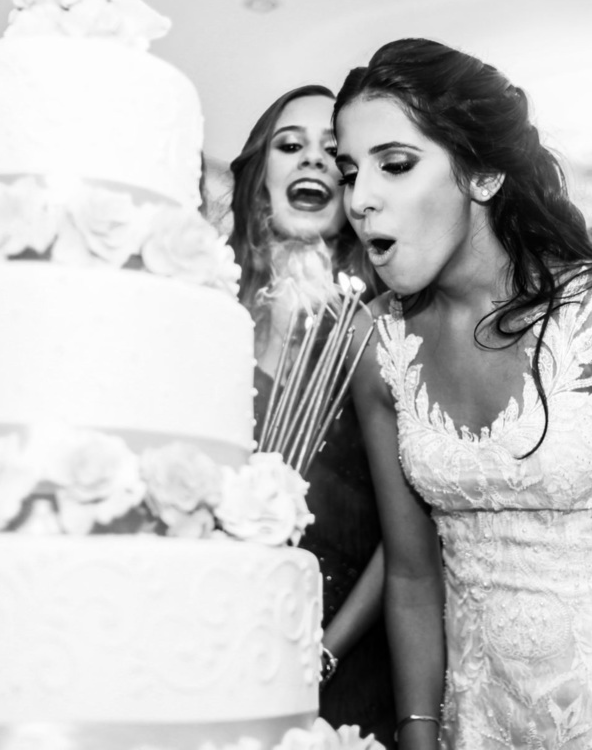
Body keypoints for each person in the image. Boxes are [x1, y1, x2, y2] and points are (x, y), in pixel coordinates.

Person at [332, 39, 592, 750]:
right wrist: (422, 736)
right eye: (350, 172)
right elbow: (412, 578)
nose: (359, 199)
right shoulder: (377, 346)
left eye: (396, 164)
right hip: (477, 720)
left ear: (482, 174)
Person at [227, 84, 396, 747]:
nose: (313, 161)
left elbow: (408, 538)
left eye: (334, 154)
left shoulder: (377, 332)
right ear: (258, 179)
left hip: (343, 664)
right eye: (290, 145)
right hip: (215, 640)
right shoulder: (207, 316)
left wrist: (323, 652)